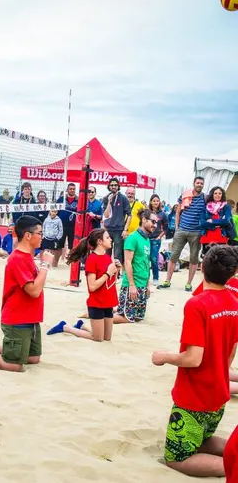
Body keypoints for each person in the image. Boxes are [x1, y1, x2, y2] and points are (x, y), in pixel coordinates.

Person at [152, 245, 238, 478]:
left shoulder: (198, 304)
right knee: (202, 439)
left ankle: (232, 467)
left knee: (177, 458)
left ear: (201, 267)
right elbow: (231, 351)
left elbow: (193, 358)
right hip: (218, 392)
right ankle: (233, 455)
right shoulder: (234, 302)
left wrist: (164, 357)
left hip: (195, 395)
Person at [0, 216, 52, 370]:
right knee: (13, 365)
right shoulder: (17, 259)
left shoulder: (27, 256)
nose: (42, 236)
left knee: (33, 358)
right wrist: (45, 265)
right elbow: (34, 291)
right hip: (17, 318)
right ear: (28, 235)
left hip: (31, 318)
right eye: (40, 233)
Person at [47, 228, 120, 341]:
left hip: (108, 302)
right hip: (97, 303)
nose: (110, 239)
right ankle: (66, 327)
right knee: (98, 338)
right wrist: (107, 273)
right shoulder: (92, 259)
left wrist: (117, 270)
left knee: (107, 338)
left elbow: (110, 283)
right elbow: (92, 286)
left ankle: (82, 326)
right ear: (99, 242)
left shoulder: (107, 258)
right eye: (107, 237)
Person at [158, 176, 206, 291]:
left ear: (203, 185)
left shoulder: (205, 198)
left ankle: (189, 283)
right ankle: (167, 281)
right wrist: (178, 227)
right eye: (198, 182)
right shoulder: (185, 195)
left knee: (194, 259)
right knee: (173, 256)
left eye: (201, 183)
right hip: (182, 230)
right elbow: (178, 211)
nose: (199, 185)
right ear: (194, 183)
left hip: (196, 232)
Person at [114, 209, 155, 324]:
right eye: (153, 222)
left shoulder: (147, 240)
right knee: (126, 318)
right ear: (144, 220)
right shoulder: (132, 238)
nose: (155, 225)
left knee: (138, 317)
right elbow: (127, 262)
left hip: (142, 285)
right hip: (132, 285)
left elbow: (146, 263)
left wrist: (147, 285)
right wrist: (132, 285)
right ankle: (97, 318)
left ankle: (105, 312)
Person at [102, 178, 131, 263]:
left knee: (117, 254)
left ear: (118, 186)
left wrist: (125, 229)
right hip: (108, 229)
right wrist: (109, 202)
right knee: (107, 253)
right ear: (109, 187)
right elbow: (106, 215)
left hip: (119, 229)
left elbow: (129, 215)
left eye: (115, 185)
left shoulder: (123, 198)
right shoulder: (106, 198)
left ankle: (117, 274)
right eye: (112, 185)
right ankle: (107, 272)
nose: (113, 187)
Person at [200, 186, 233, 256]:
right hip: (207, 237)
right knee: (207, 260)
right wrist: (216, 225)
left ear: (222, 195)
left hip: (221, 237)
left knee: (221, 261)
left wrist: (212, 221)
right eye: (215, 193)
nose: (217, 195)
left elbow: (227, 221)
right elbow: (202, 223)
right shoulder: (206, 206)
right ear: (212, 194)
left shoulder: (226, 206)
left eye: (220, 193)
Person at [147, 194, 169, 286]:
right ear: (151, 202)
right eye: (154, 200)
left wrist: (159, 236)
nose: (156, 202)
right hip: (146, 238)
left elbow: (166, 228)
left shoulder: (162, 214)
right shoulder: (147, 213)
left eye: (157, 200)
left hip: (156, 240)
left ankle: (156, 278)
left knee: (154, 258)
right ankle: (146, 278)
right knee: (145, 259)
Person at [57, 183, 78, 255]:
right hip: (61, 226)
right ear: (67, 190)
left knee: (72, 247)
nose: (72, 190)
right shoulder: (61, 199)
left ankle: (72, 264)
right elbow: (56, 211)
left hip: (73, 227)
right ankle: (55, 264)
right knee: (58, 246)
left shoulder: (79, 200)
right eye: (70, 189)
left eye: (74, 189)